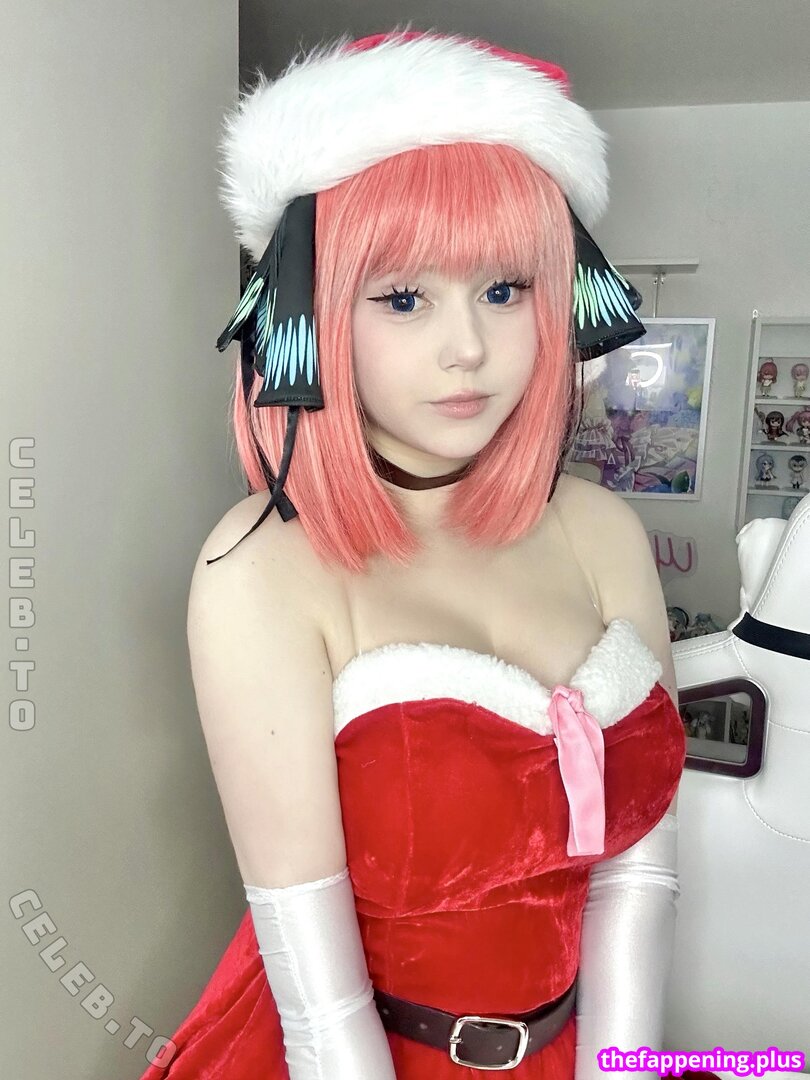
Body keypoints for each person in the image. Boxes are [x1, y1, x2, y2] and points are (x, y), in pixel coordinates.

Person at [140, 27, 719, 1080]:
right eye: (404, 298)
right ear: (317, 315)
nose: (469, 349)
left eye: (505, 290)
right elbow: (320, 1003)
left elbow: (638, 876)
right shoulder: (263, 570)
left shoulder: (602, 532)